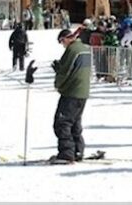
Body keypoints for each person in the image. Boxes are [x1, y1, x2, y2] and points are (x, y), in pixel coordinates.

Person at [51, 29, 91, 164]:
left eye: (62, 41)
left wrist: (58, 82)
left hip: (72, 91)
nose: (62, 45)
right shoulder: (84, 48)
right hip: (82, 91)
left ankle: (66, 154)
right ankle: (77, 150)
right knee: (74, 122)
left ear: (66, 38)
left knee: (62, 122)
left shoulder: (72, 50)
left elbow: (66, 71)